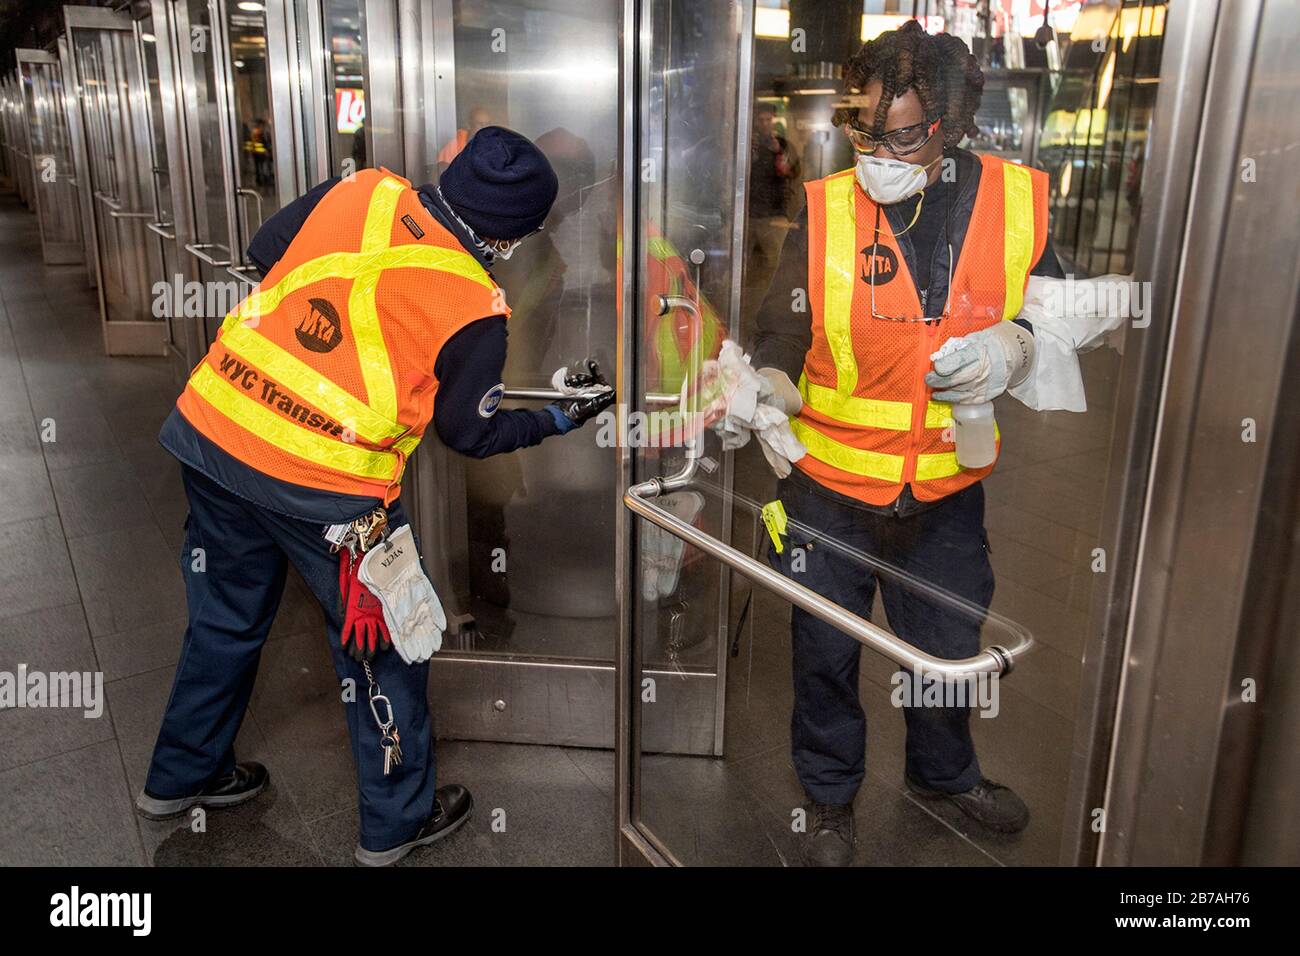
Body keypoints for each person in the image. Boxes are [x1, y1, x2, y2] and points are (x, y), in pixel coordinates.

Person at [136, 127, 615, 866]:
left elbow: (268, 249)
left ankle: (180, 776)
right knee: (385, 646)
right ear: (512, 236)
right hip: (333, 490)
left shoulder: (365, 188)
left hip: (216, 431)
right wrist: (555, 418)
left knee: (225, 616)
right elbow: (470, 434)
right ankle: (396, 821)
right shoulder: (476, 307)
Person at [744, 22, 1066, 866]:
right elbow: (785, 326)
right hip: (828, 488)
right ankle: (829, 796)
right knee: (823, 653)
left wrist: (1019, 345)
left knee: (948, 649)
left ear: (952, 125)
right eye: (864, 129)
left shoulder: (1015, 199)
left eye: (904, 134)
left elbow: (1069, 315)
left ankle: (945, 774)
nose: (878, 151)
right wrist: (766, 386)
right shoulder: (826, 209)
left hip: (946, 490)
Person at [744, 102, 800, 313]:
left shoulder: (783, 145)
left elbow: (792, 173)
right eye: (761, 120)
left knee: (779, 265)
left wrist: (779, 153)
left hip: (774, 217)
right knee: (744, 267)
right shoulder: (747, 145)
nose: (765, 124)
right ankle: (747, 307)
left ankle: (777, 308)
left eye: (769, 120)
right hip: (748, 216)